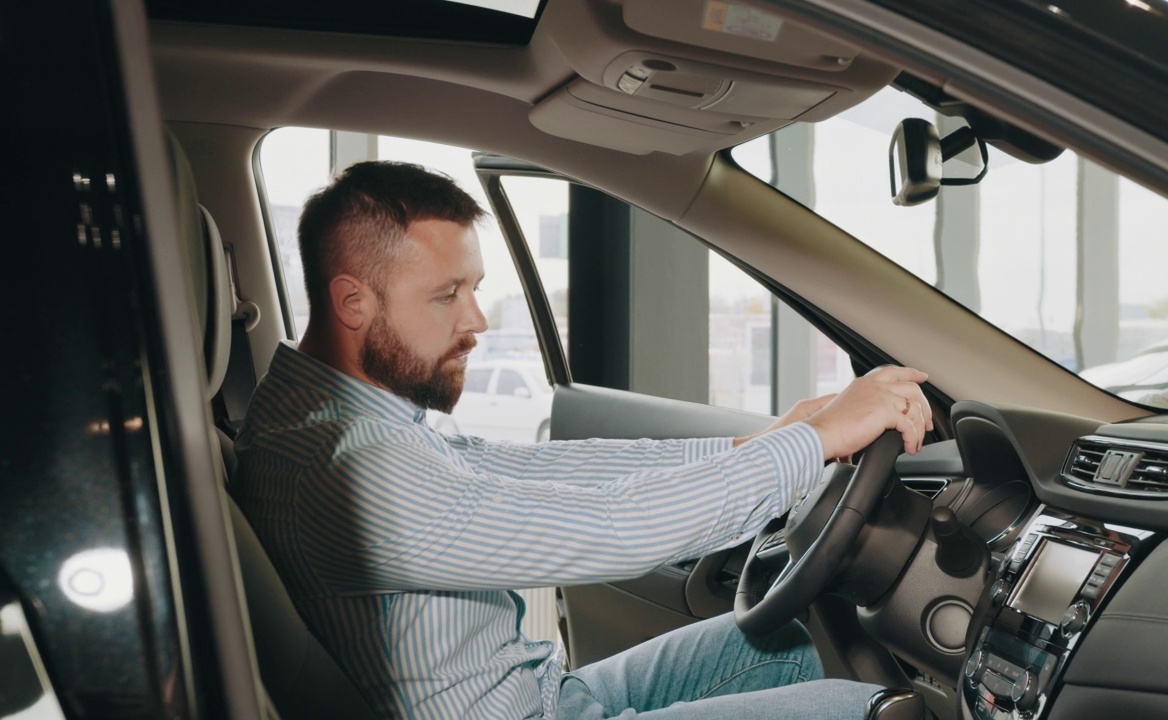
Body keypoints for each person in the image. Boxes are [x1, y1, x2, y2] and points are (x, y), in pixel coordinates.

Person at [232, 161, 934, 719]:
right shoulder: (343, 465)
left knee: (794, 639)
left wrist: (775, 438)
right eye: (447, 295)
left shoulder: (340, 418)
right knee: (858, 711)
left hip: (547, 699)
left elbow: (541, 472)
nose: (477, 318)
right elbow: (611, 526)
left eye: (474, 288)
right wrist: (812, 443)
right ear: (353, 302)